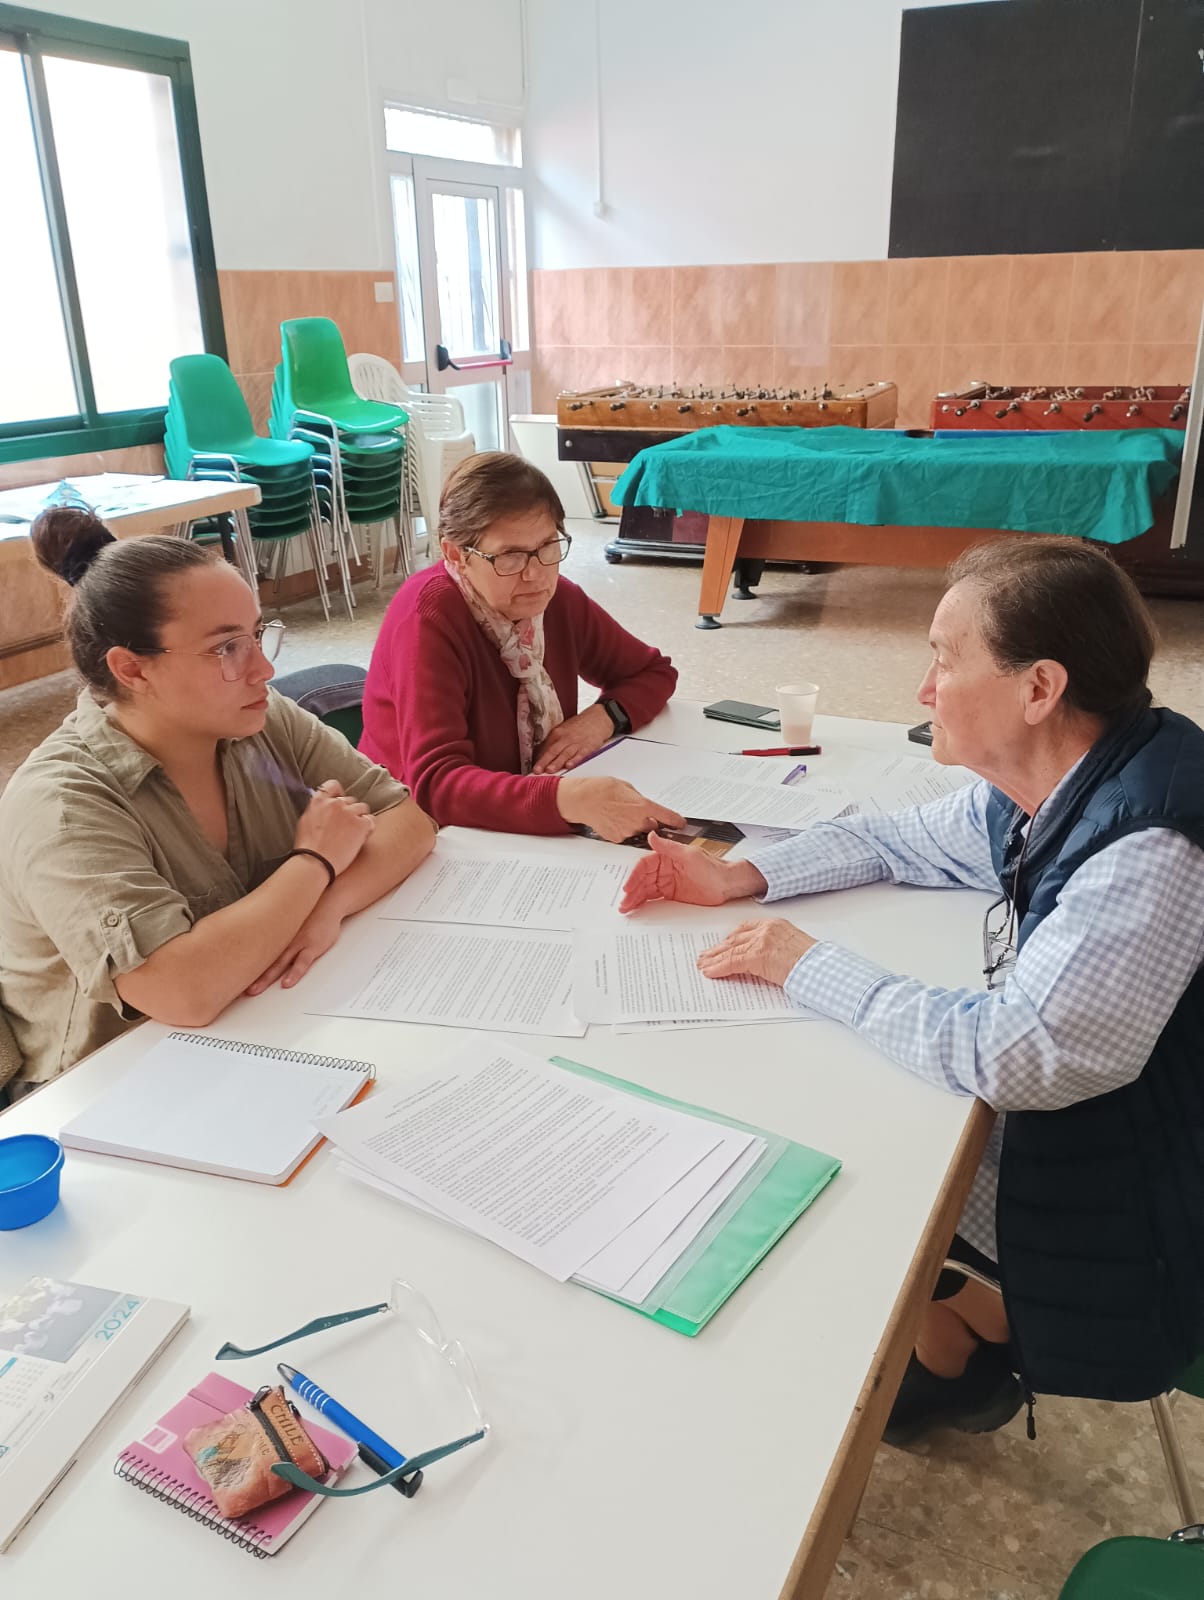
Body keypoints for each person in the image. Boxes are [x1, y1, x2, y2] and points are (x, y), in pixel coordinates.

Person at [619, 534, 1204, 1442]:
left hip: (1138, 1202)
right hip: (1095, 1132)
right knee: (847, 1080)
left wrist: (800, 960)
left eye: (943, 657)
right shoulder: (1070, 771)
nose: (924, 690)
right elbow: (900, 839)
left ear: (1039, 689)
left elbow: (1012, 1059)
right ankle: (965, 1326)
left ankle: (940, 1348)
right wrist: (741, 877)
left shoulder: (1149, 848)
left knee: (824, 1138)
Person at [0, 509, 435, 1098]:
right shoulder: (62, 804)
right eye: (227, 648)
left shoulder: (256, 718)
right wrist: (315, 862)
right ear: (132, 669)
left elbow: (408, 822)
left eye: (256, 634)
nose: (265, 668)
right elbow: (180, 991)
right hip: (101, 1087)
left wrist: (326, 906)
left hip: (254, 1018)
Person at [360, 452, 684, 840]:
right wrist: (566, 798)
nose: (535, 574)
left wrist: (603, 718)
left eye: (548, 546)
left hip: (514, 810)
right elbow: (435, 786)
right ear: (456, 555)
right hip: (412, 830)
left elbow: (652, 672)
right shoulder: (427, 617)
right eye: (510, 557)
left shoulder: (556, 598)